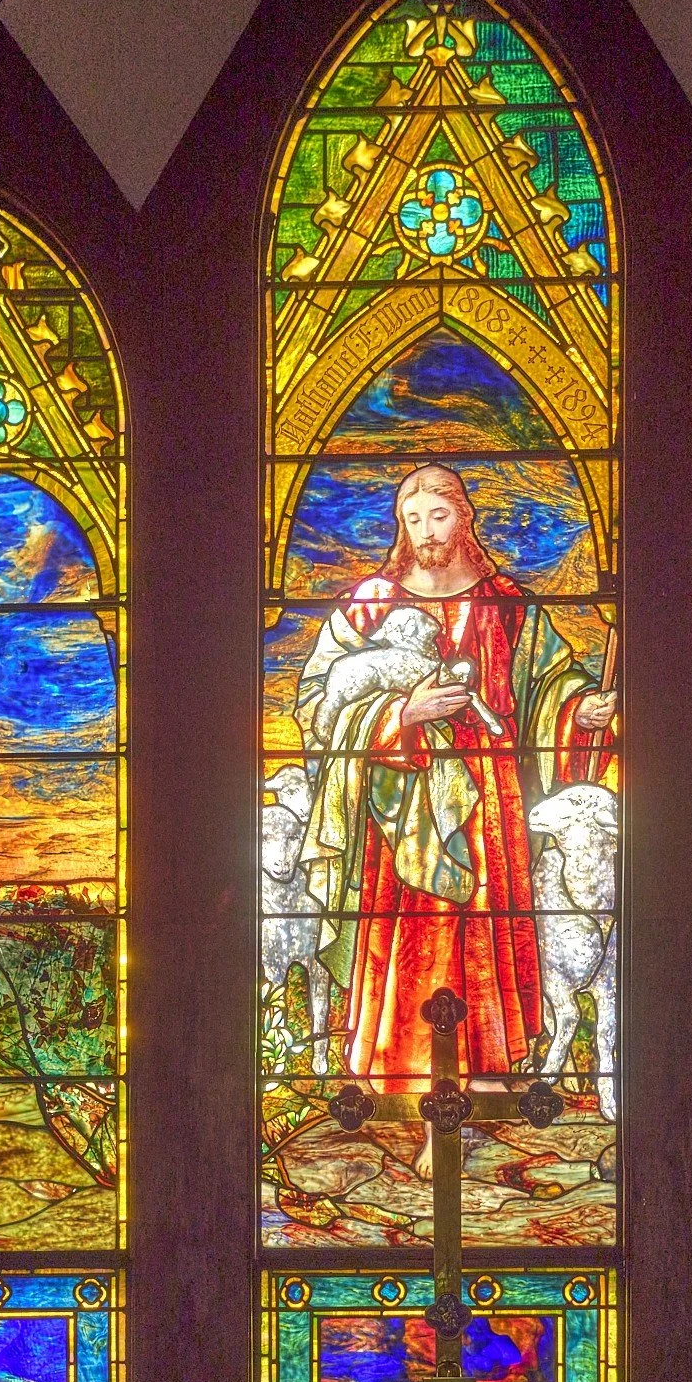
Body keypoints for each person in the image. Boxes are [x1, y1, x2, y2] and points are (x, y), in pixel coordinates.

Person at [298, 464, 616, 1091]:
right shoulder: (370, 606)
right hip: (398, 797)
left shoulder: (506, 604)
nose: (425, 531)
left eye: (437, 516)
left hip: (488, 799)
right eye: (411, 519)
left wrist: (580, 710)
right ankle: (401, 1070)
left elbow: (547, 685)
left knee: (480, 926)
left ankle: (489, 1070)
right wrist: (401, 716)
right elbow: (318, 700)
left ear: (463, 517)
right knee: (408, 929)